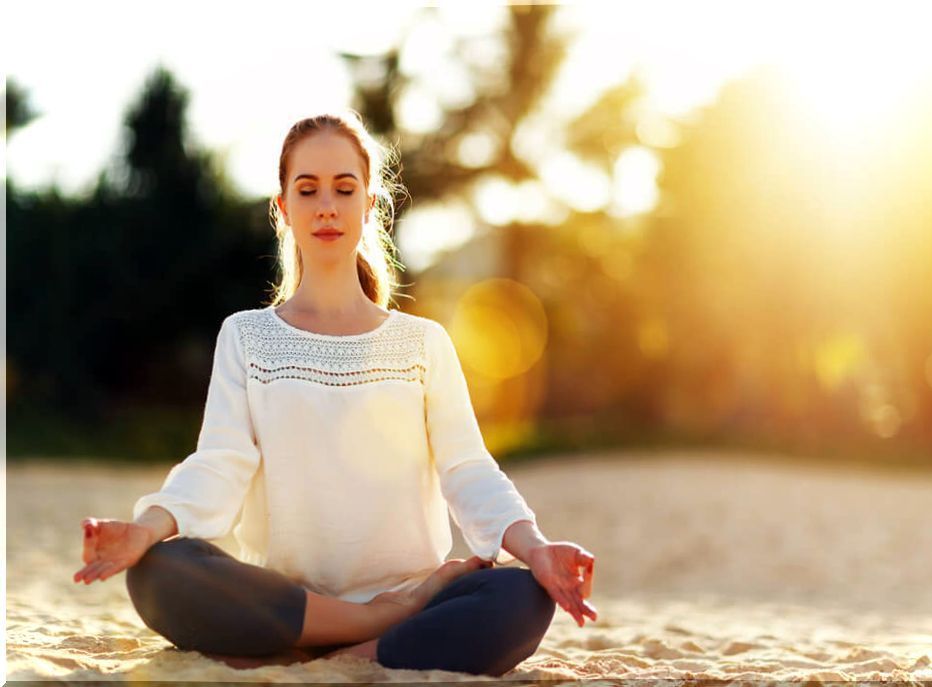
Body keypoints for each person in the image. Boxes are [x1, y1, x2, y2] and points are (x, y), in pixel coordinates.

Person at [73, 111, 597, 676]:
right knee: (158, 571)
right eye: (308, 189)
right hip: (289, 600)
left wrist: (539, 550)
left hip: (411, 593)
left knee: (522, 597)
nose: (327, 205)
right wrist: (145, 530)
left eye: (345, 189)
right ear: (283, 209)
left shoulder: (422, 343)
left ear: (370, 205)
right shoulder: (246, 336)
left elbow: (467, 468)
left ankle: (348, 644)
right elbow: (220, 463)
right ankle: (374, 626)